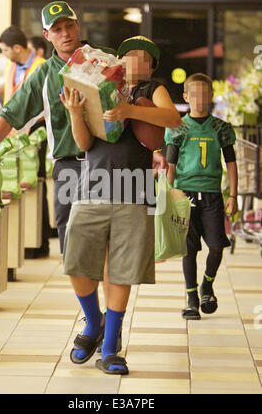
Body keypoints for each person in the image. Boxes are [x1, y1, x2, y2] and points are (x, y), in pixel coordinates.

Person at [60, 36, 181, 375]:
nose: (132, 62)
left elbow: (172, 119)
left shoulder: (153, 89)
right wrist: (74, 112)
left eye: (141, 58)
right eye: (126, 56)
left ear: (151, 66)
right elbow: (84, 143)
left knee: (121, 270)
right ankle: (94, 323)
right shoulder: (99, 87)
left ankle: (111, 346)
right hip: (90, 187)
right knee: (78, 264)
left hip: (136, 192)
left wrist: (129, 110)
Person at [0, 1, 116, 257]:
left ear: (78, 26)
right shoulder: (43, 75)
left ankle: (109, 299)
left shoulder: (105, 59)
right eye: (57, 29)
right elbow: (9, 114)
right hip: (69, 167)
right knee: (71, 250)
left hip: (107, 164)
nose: (65, 33)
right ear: (47, 35)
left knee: (106, 248)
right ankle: (89, 299)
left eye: (69, 25)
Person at [165, 73, 238, 320]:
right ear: (186, 97)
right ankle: (192, 298)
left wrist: (233, 195)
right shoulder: (178, 127)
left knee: (217, 245)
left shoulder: (220, 128)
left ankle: (207, 285)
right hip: (185, 195)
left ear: (211, 97)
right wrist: (169, 196)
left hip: (212, 195)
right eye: (194, 94)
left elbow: (231, 163)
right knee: (189, 249)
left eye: (205, 94)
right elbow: (171, 165)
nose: (200, 99)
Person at [0, 25, 50, 258]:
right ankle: (28, 241)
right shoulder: (14, 66)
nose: (3, 54)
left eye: (4, 50)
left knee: (35, 182)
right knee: (20, 183)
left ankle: (40, 242)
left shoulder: (41, 67)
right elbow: (11, 90)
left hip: (35, 131)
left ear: (17, 48)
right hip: (16, 131)